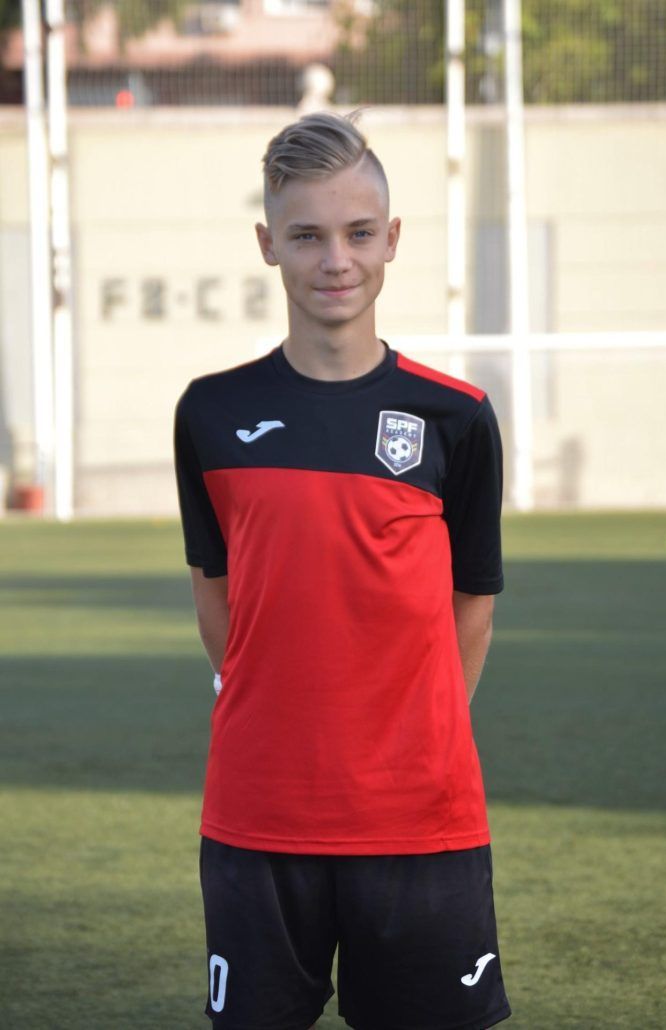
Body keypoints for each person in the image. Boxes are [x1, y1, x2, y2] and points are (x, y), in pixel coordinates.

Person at [174, 110, 511, 1030]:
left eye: (359, 233)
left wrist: (412, 730)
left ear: (391, 239)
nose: (336, 259)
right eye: (307, 236)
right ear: (268, 245)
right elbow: (218, 593)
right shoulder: (211, 412)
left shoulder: (455, 417)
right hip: (258, 814)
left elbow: (471, 599)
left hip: (419, 815)